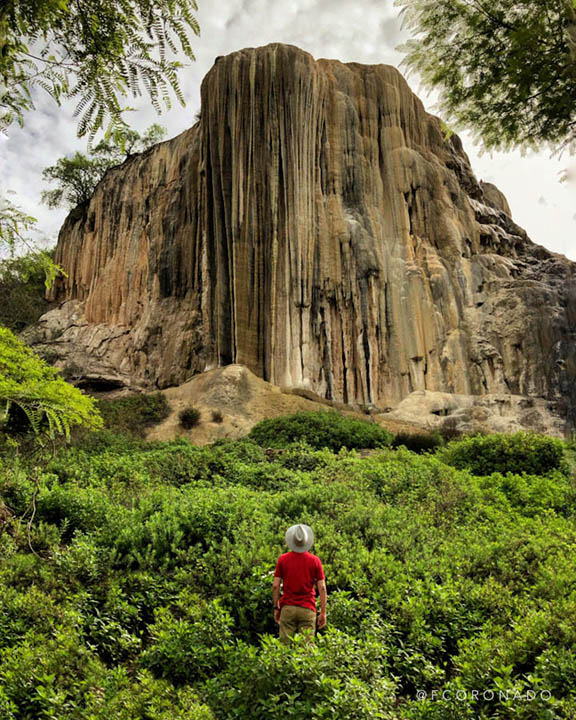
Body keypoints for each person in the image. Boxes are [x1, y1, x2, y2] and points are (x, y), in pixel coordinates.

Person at [272, 523, 327, 642]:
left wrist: (276, 607)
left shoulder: (283, 559)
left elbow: (276, 585)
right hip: (308, 609)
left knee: (284, 648)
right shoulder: (315, 561)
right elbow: (322, 587)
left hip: (288, 608)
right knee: (306, 651)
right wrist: (323, 612)